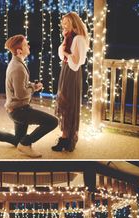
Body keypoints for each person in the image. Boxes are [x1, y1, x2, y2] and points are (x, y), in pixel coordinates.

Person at [0, 34, 58, 158]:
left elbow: (21, 85)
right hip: (20, 110)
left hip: (15, 108)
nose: (29, 46)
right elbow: (20, 94)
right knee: (52, 122)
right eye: (26, 44)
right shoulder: (18, 68)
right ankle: (26, 144)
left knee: (17, 140)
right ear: (19, 51)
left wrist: (32, 86)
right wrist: (33, 88)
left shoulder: (17, 63)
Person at [52, 12, 89, 152]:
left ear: (73, 23)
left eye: (66, 22)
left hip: (72, 72)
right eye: (63, 22)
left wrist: (66, 52)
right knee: (64, 102)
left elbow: (77, 61)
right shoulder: (69, 37)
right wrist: (64, 41)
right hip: (66, 69)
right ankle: (65, 136)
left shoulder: (79, 38)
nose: (64, 24)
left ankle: (68, 138)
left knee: (69, 103)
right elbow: (62, 56)